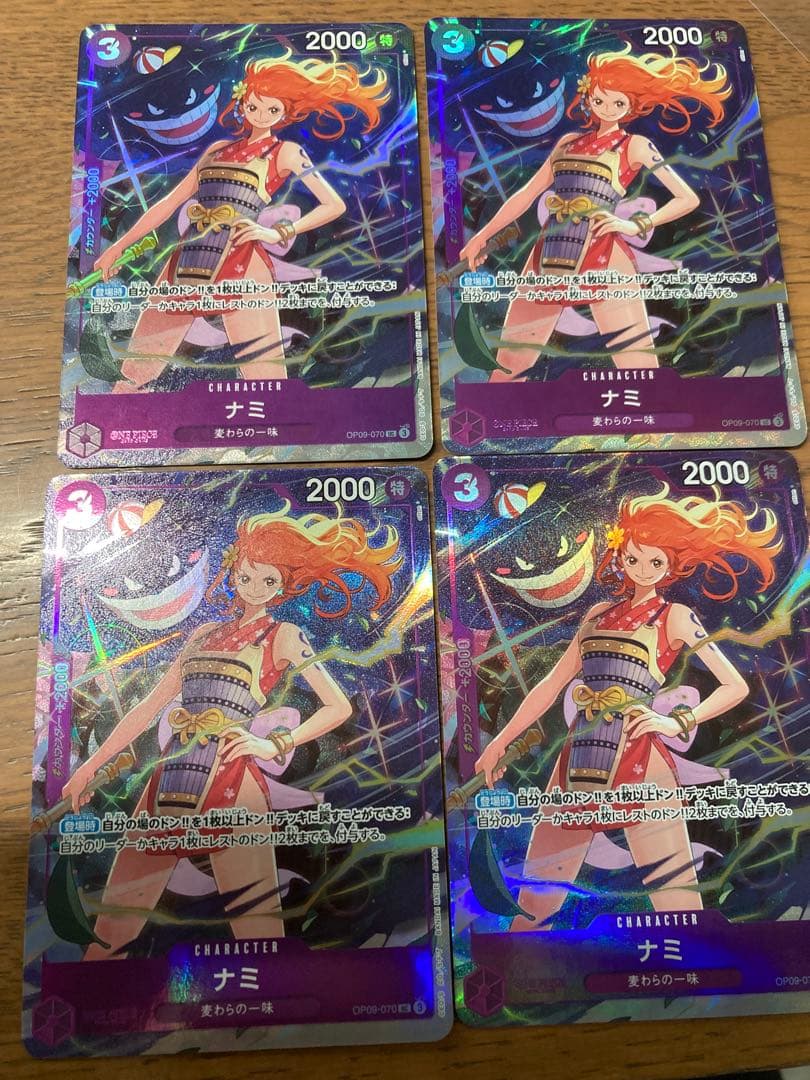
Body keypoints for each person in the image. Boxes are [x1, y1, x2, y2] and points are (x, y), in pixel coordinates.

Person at [63, 505, 401, 957]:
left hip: (234, 781)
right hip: (170, 779)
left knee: (257, 931)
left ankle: (277, 1000)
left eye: (269, 580)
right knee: (113, 926)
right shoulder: (203, 634)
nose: (255, 587)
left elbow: (338, 706)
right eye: (247, 576)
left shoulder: (283, 635)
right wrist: (89, 767)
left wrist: (272, 743)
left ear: (283, 585)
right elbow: (148, 707)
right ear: (233, 570)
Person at [475, 486, 781, 927]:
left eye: (656, 562)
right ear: (621, 553)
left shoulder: (675, 616)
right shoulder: (598, 614)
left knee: (677, 902)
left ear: (671, 565)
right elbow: (551, 684)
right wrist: (500, 743)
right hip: (578, 759)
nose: (643, 569)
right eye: (634, 557)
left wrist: (675, 721)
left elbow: (734, 685)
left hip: (642, 762)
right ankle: (516, 968)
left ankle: (698, 968)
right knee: (535, 903)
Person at [94, 53, 390, 387]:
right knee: (135, 370)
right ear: (243, 102)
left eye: (272, 110)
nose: (261, 115)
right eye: (254, 106)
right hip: (188, 259)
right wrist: (117, 247)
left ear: (284, 113)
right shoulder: (217, 149)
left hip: (244, 262)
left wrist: (277, 232)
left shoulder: (286, 152)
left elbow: (333, 205)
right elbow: (169, 203)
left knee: (265, 377)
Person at [460, 48, 731, 377]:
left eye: (619, 103)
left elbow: (686, 198)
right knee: (511, 361)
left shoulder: (635, 145)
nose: (607, 108)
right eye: (600, 99)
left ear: (631, 106)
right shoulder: (568, 142)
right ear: (589, 96)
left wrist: (634, 225)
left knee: (637, 363)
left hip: (605, 254)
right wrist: (482, 236)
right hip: (550, 252)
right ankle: (495, 410)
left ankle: (656, 410)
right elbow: (526, 195)